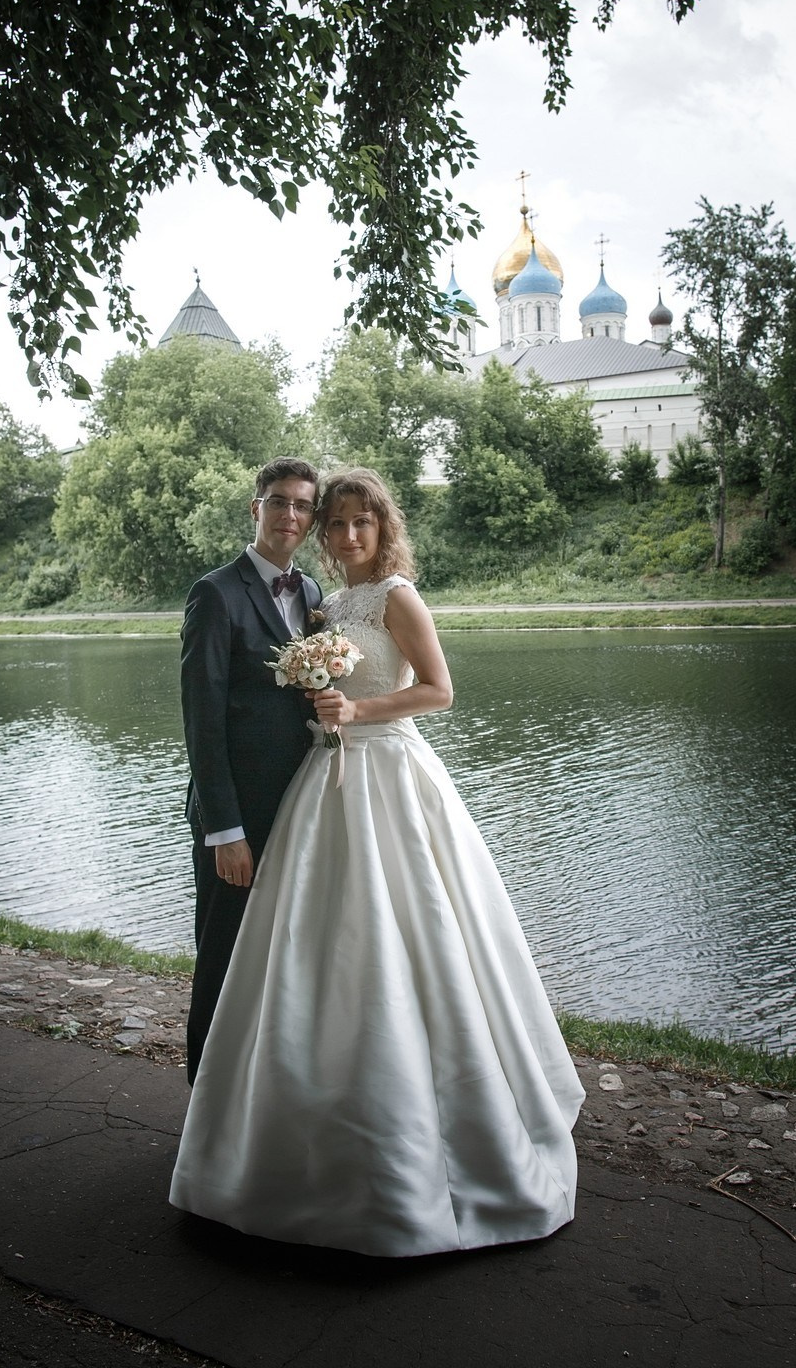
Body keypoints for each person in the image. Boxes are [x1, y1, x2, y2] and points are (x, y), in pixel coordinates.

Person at [170, 468, 583, 1256]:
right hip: (314, 789)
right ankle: (241, 1121)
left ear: (380, 528)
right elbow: (212, 713)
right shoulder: (303, 603)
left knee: (413, 937)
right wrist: (225, 824)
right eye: (335, 522)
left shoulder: (393, 595)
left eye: (361, 522)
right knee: (294, 955)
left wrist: (357, 709)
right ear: (301, 526)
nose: (346, 533)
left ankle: (425, 1120)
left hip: (387, 775)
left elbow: (438, 690)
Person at [180, 456, 321, 1084]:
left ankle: (261, 1100)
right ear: (255, 508)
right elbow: (202, 721)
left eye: (301, 505)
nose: (289, 514)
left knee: (284, 954)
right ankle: (206, 1102)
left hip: (302, 807)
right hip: (238, 817)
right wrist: (225, 830)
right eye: (279, 501)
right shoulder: (215, 594)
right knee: (224, 956)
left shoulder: (313, 593)